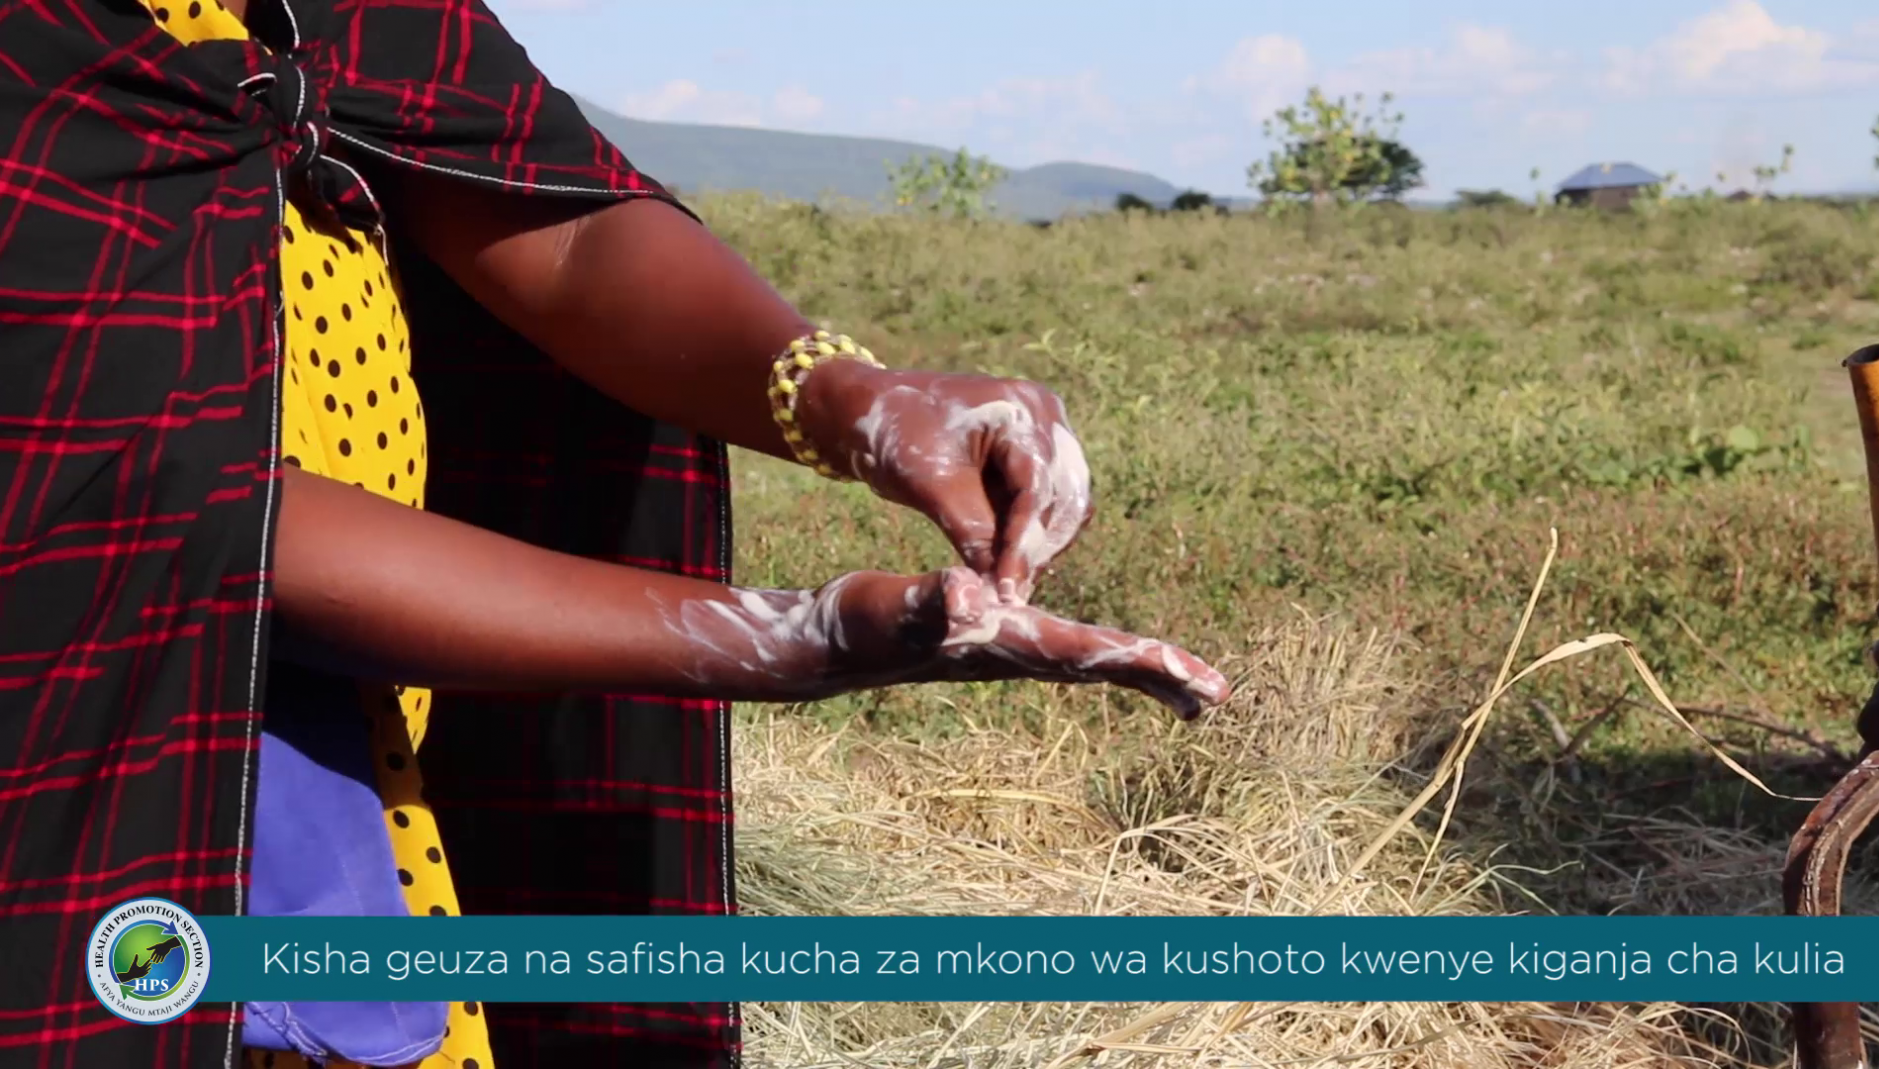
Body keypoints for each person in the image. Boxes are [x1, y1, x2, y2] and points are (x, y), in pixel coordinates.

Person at [0, 1, 1228, 1067]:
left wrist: (845, 396)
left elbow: (558, 220)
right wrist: (786, 635)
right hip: (95, 799)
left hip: (354, 777)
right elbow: (163, 506)